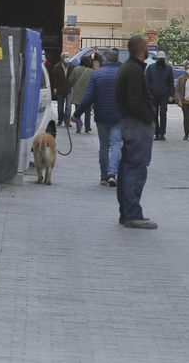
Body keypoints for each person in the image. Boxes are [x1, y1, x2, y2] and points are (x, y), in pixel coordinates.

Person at [113, 36, 158, 228]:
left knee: (128, 167)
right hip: (137, 125)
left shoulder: (129, 68)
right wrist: (148, 115)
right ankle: (132, 214)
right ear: (142, 49)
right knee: (135, 168)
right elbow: (135, 101)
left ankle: (127, 212)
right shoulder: (133, 71)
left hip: (131, 123)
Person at [73, 49, 123, 186]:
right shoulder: (124, 75)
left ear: (105, 60)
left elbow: (88, 97)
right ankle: (113, 173)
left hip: (102, 116)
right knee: (116, 144)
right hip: (119, 115)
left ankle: (104, 176)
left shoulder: (96, 75)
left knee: (104, 146)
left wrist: (77, 114)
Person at [145, 51, 175, 140]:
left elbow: (171, 82)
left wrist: (171, 95)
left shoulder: (168, 69)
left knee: (163, 114)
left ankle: (162, 133)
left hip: (164, 95)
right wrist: (148, 94)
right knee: (154, 114)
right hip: (153, 95)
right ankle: (156, 133)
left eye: (163, 59)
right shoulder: (150, 68)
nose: (161, 60)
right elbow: (147, 82)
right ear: (157, 59)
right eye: (160, 58)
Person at [68, 53, 97, 133]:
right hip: (88, 94)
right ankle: (87, 127)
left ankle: (78, 127)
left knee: (78, 110)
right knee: (87, 112)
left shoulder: (76, 69)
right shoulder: (91, 71)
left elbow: (70, 80)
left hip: (77, 93)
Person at [46, 52, 71, 126]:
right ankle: (60, 120)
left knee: (68, 106)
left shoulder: (72, 66)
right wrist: (54, 87)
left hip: (69, 88)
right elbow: (54, 78)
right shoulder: (57, 67)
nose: (67, 58)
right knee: (60, 106)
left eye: (68, 56)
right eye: (66, 56)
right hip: (60, 89)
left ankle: (67, 121)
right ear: (62, 58)